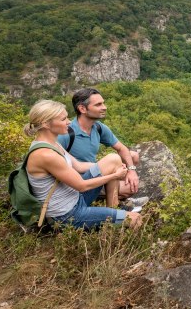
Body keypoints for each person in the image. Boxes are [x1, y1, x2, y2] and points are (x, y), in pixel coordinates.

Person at [24, 100, 141, 229]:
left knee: (113, 159)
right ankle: (113, 230)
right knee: (135, 218)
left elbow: (78, 166)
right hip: (67, 215)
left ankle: (113, 209)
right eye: (63, 119)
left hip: (75, 199)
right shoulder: (46, 155)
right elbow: (82, 186)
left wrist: (111, 167)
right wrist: (115, 175)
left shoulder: (52, 143)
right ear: (45, 123)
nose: (69, 122)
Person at [57, 88, 141, 201]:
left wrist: (131, 171)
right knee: (114, 162)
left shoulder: (98, 127)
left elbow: (122, 148)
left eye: (103, 103)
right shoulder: (66, 133)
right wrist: (111, 168)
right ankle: (112, 209)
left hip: (95, 173)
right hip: (78, 182)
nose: (104, 107)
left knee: (133, 157)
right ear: (82, 108)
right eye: (98, 105)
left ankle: (103, 195)